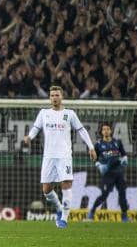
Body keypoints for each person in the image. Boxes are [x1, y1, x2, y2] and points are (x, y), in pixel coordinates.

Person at [23, 86, 96, 229]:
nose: (54, 98)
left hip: (64, 156)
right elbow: (36, 128)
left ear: (62, 96)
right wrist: (29, 137)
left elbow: (81, 130)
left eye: (57, 95)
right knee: (46, 189)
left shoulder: (70, 114)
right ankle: (58, 207)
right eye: (52, 95)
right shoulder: (44, 113)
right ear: (49, 98)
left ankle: (64, 219)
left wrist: (91, 147)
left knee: (66, 184)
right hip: (49, 156)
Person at [88, 122, 129, 222]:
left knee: (122, 194)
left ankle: (124, 215)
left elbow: (123, 155)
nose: (106, 131)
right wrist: (99, 166)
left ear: (111, 131)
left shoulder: (117, 142)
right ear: (101, 132)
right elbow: (95, 158)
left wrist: (124, 160)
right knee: (104, 194)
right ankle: (92, 211)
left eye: (107, 129)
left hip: (118, 172)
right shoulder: (98, 145)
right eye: (104, 129)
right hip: (107, 174)